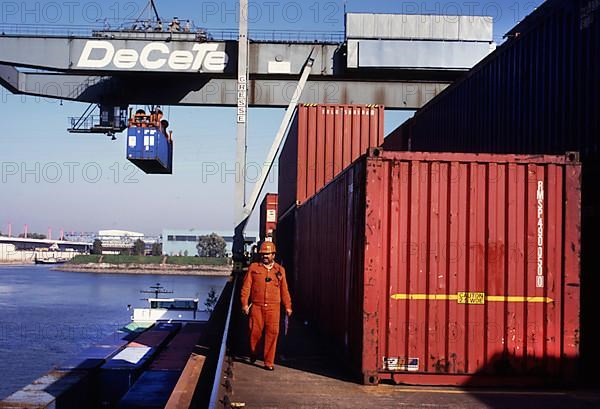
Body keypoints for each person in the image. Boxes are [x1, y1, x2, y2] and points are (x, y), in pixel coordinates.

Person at [240, 242, 292, 371]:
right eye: (263, 254)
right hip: (257, 307)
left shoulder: (280, 270)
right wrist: (244, 304)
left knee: (272, 333)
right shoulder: (253, 268)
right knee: (254, 332)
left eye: (267, 254)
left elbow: (284, 290)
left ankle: (268, 362)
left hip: (274, 308)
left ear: (273, 255)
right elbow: (246, 287)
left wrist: (288, 306)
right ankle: (254, 352)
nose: (265, 256)